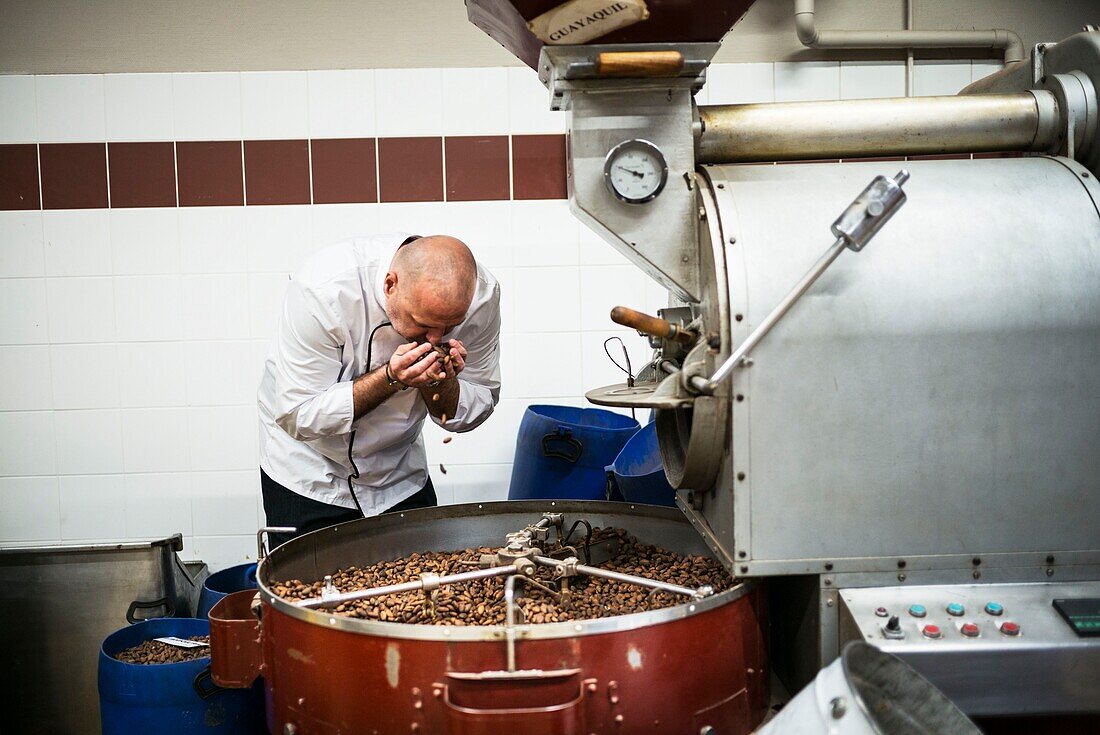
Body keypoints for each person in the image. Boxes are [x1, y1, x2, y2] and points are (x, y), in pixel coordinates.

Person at [257, 234, 501, 547]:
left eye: (450, 325)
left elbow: (476, 405)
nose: (434, 337)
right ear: (390, 285)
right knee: (310, 591)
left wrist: (440, 381)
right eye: (422, 322)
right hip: (310, 470)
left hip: (399, 473)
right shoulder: (324, 291)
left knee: (419, 588)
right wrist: (391, 377)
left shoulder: (481, 297)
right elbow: (299, 415)